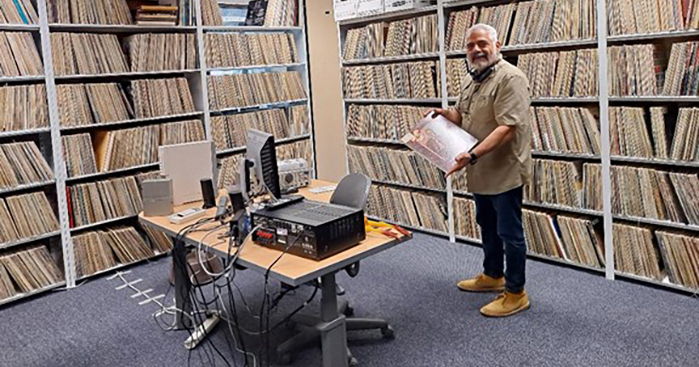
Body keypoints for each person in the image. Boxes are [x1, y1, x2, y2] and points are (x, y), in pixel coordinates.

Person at [426, 23, 532, 317]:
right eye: (471, 45)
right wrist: (444, 114)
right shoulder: (473, 79)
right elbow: (463, 115)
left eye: (482, 43)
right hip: (479, 169)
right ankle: (492, 275)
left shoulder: (511, 78)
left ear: (497, 46)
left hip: (504, 169)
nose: (476, 50)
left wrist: (470, 156)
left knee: (510, 232)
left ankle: (515, 292)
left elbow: (507, 128)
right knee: (486, 223)